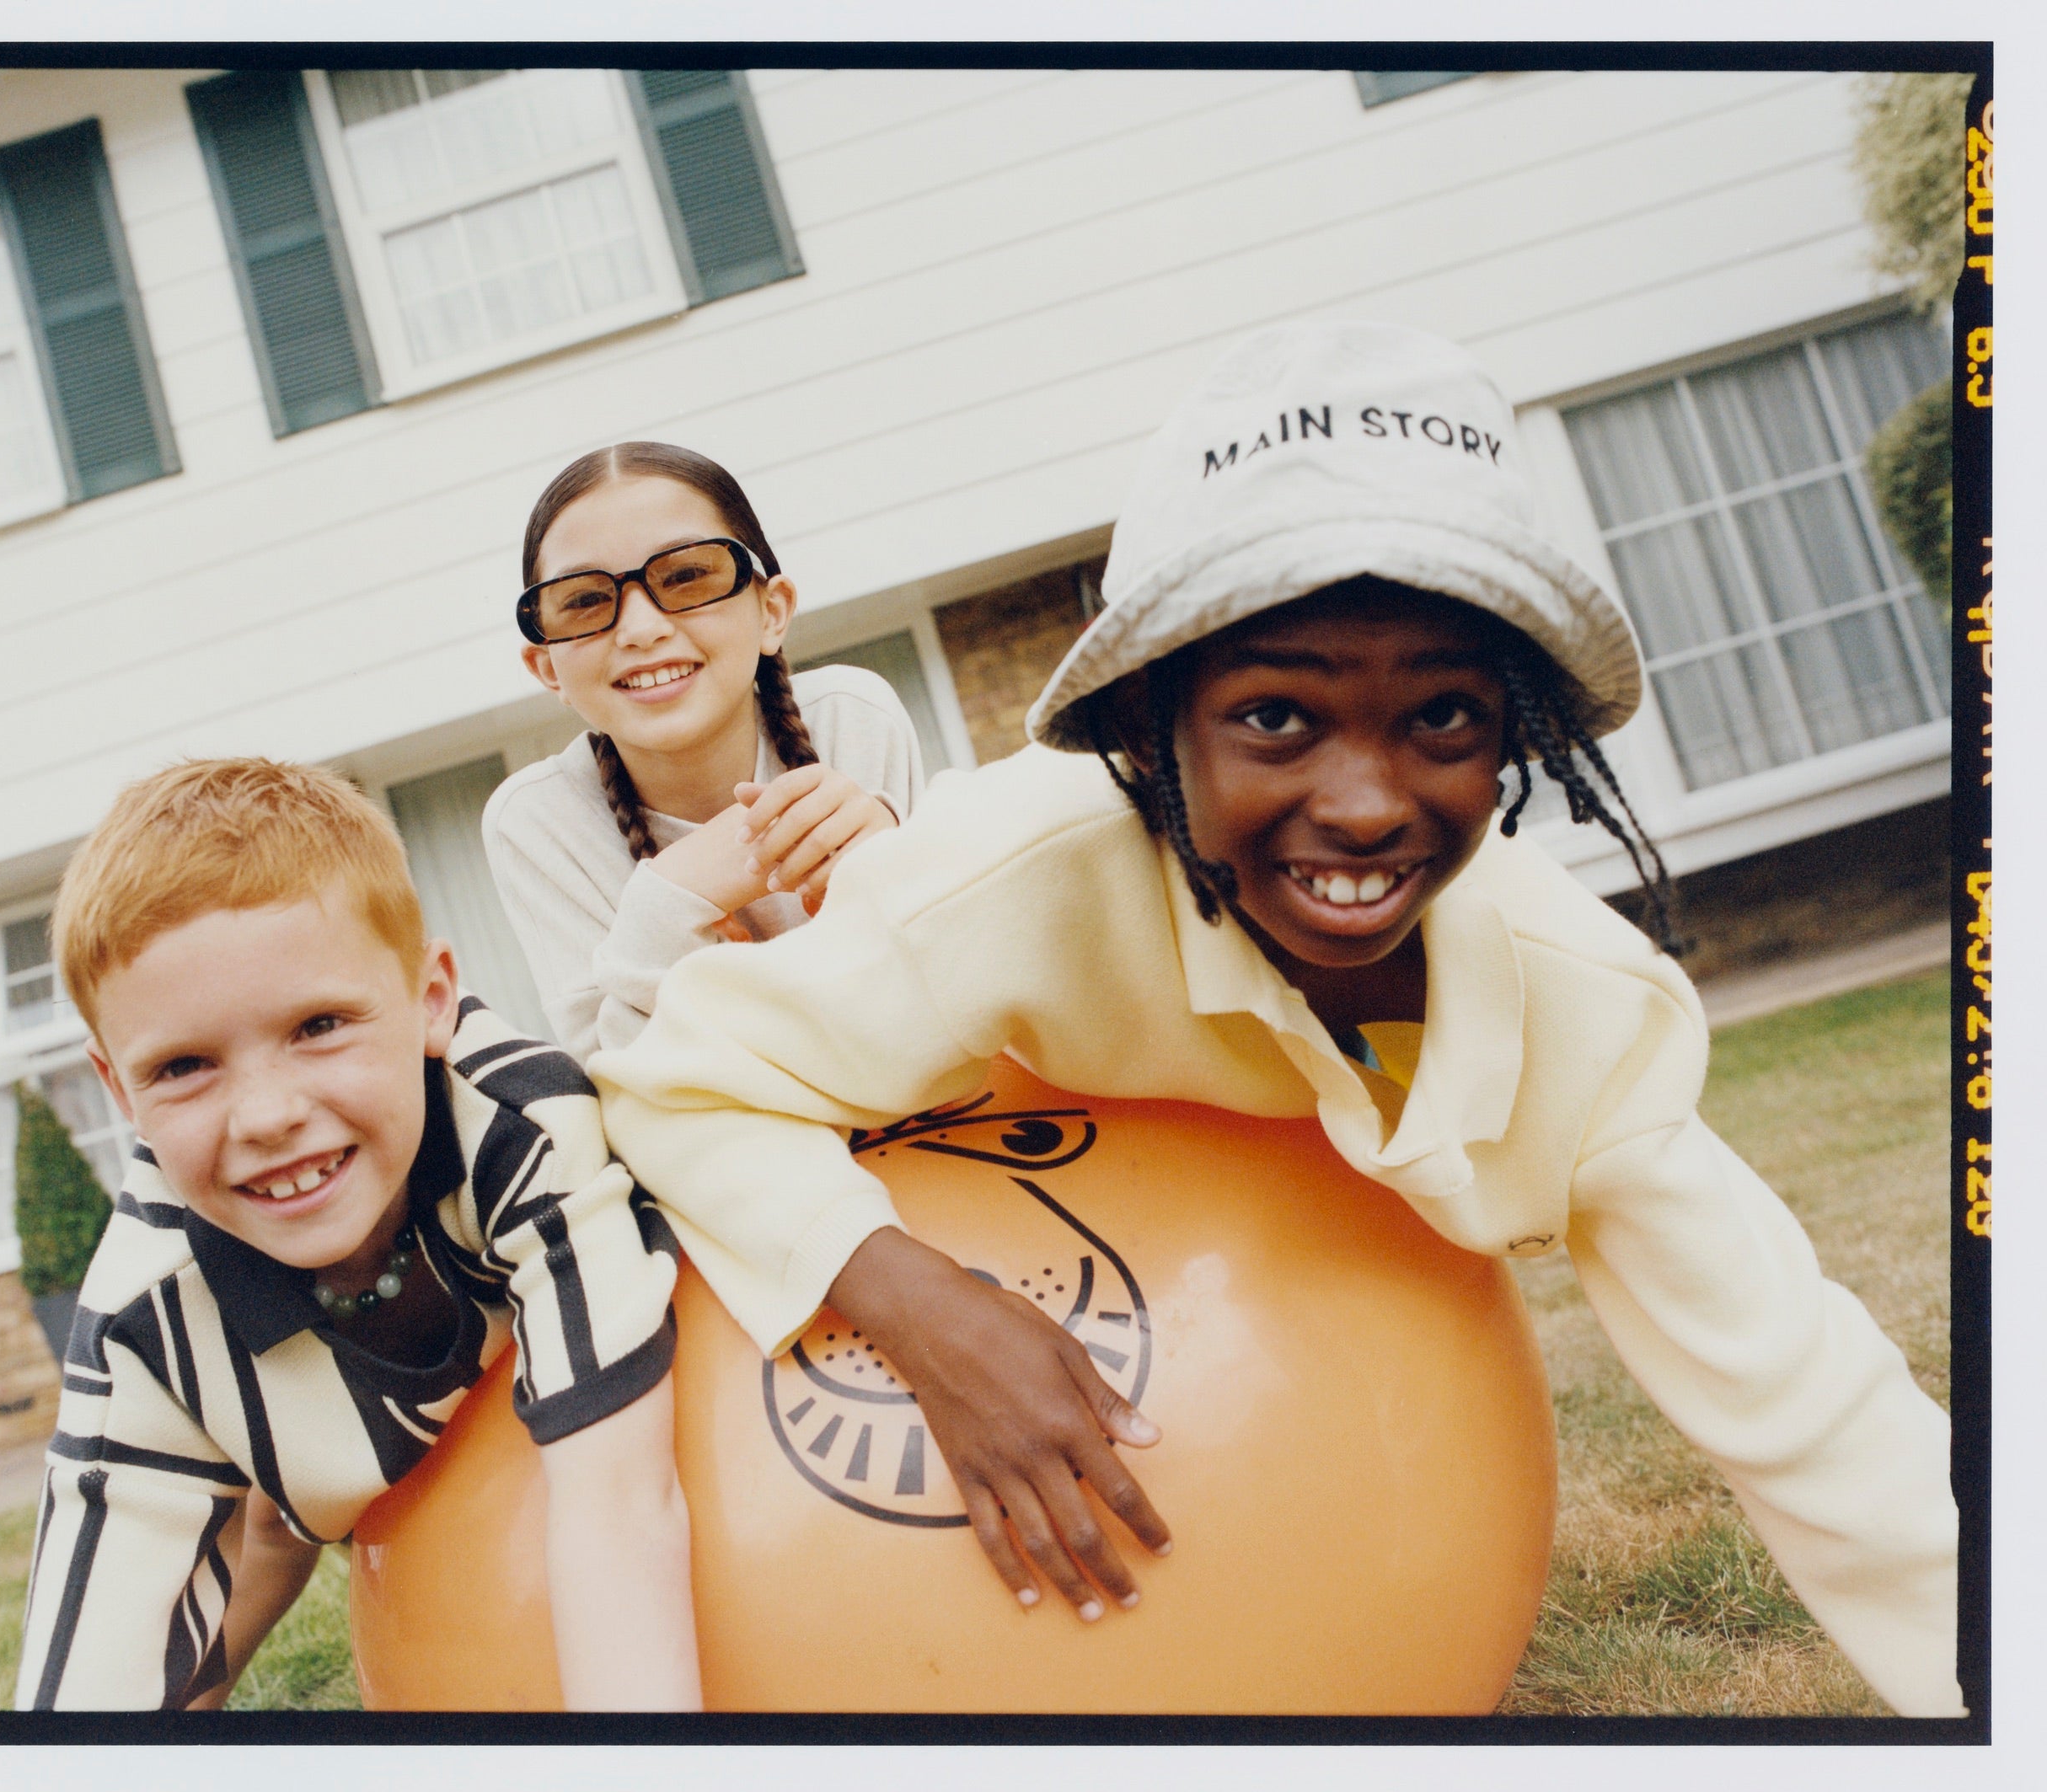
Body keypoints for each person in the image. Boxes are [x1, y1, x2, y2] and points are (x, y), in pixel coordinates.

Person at [587, 322, 1962, 1717]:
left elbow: (1817, 1417)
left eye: (1441, 714)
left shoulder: (1585, 1019)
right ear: (1153, 726)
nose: (1364, 801)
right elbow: (680, 1077)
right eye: (1276, 718)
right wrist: (924, 1306)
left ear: (1521, 734)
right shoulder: (1014, 877)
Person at [13, 758, 699, 1711]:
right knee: (272, 1535)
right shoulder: (143, 1316)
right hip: (300, 1452)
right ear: (117, 1088)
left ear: (432, 999)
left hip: (512, 1353)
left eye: (318, 1025)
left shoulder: (521, 1123)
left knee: (286, 1521)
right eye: (182, 1066)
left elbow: (619, 1505)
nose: (265, 1115)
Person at [483, 441, 924, 1061]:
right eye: (584, 600)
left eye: (687, 576)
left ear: (773, 611)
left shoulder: (852, 718)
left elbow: (949, 989)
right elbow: (615, 1084)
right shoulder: (537, 820)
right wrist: (669, 898)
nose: (640, 630)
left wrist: (902, 864)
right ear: (546, 666)